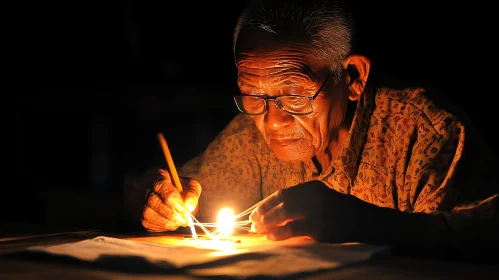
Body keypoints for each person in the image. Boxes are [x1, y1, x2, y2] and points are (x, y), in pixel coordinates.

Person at [124, 0, 499, 263]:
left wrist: (377, 225)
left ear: (352, 78)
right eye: (253, 96)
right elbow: (177, 194)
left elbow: (485, 235)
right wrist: (159, 201)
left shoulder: (425, 133)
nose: (271, 122)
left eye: (295, 95)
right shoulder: (249, 136)